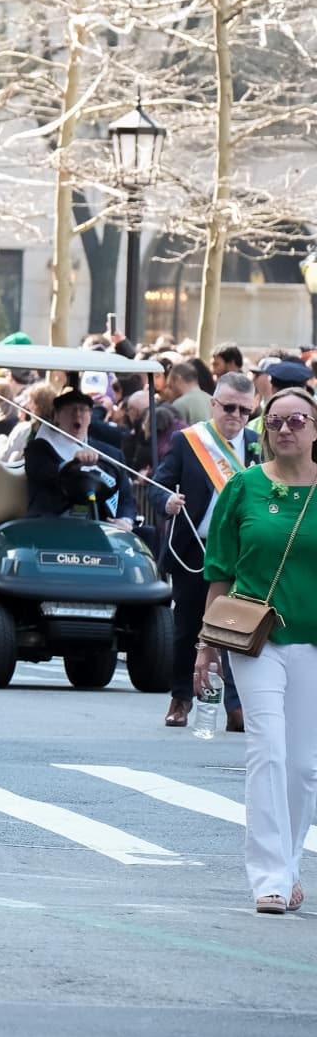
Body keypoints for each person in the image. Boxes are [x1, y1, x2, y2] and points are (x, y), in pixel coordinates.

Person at [194, 385, 317, 916]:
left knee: (304, 765)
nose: (285, 429)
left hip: (313, 640)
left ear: (315, 427)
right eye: (276, 422)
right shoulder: (242, 488)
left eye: (297, 420)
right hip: (254, 638)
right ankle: (268, 877)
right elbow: (219, 571)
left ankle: (289, 865)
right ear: (264, 431)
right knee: (267, 748)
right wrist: (205, 643)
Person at [152, 371, 259, 730]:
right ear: (213, 404)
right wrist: (167, 501)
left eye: (245, 411)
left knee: (235, 628)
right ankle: (181, 697)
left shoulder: (259, 445)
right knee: (187, 628)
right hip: (196, 548)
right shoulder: (189, 441)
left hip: (244, 552)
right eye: (229, 407)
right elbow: (159, 484)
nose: (236, 417)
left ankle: (234, 705)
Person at [25, 388, 127, 519]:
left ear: (90, 416)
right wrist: (73, 465)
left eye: (83, 410)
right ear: (56, 416)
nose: (77, 415)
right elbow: (46, 476)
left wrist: (125, 520)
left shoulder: (112, 453)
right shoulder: (39, 449)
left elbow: (126, 498)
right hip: (53, 523)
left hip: (101, 525)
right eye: (70, 410)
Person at [165, 359, 214, 427]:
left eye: (170, 386)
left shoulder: (179, 404)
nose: (170, 391)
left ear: (178, 379)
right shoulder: (212, 400)